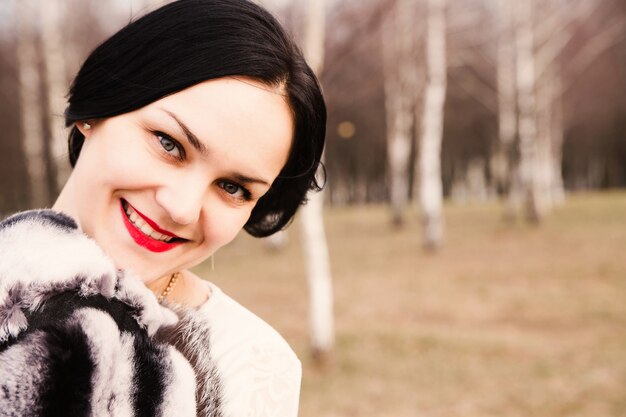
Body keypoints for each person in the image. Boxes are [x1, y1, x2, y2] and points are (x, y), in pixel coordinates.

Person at [11, 0, 325, 415]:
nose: (182, 208)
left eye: (233, 187)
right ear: (96, 107)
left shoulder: (251, 366)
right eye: (168, 143)